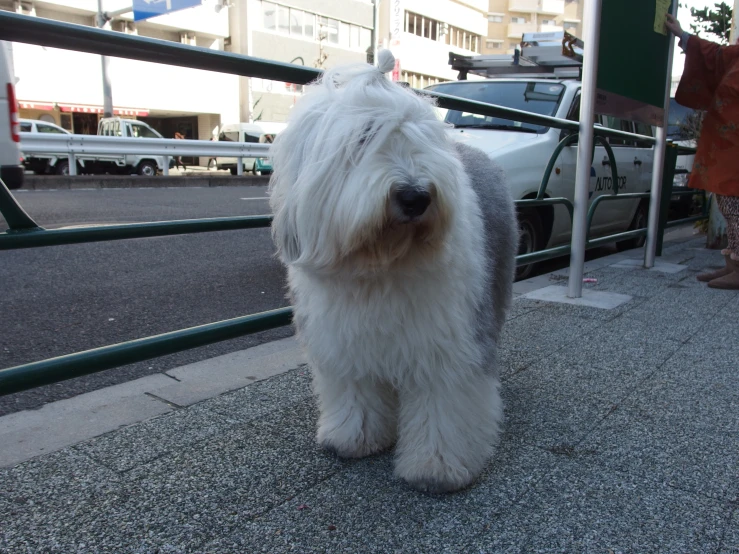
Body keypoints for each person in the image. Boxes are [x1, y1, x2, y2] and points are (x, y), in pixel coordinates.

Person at [666, 14, 739, 289]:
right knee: (728, 204)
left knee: (736, 205)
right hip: (727, 142)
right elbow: (715, 55)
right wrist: (683, 35)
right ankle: (733, 263)